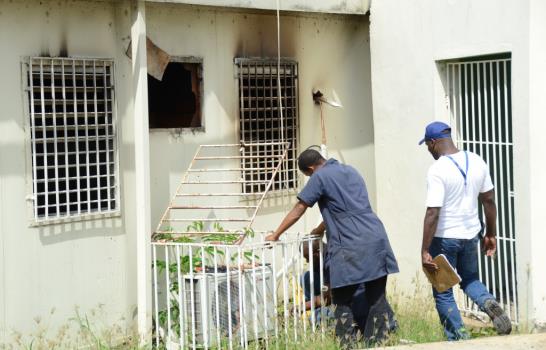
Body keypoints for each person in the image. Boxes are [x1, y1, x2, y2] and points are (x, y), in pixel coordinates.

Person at [265, 149, 399, 345]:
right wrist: (319, 228)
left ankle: (348, 345)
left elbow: (299, 208)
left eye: (308, 175)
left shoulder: (319, 176)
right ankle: (377, 344)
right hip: (376, 237)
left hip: (350, 242)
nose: (311, 177)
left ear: (311, 168)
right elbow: (345, 208)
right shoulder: (351, 170)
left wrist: (276, 234)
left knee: (341, 299)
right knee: (377, 299)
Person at [419, 121, 512, 340]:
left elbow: (433, 212)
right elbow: (489, 201)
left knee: (443, 291)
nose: (428, 150)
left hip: (444, 239)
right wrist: (490, 234)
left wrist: (424, 249)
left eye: (427, 146)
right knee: (469, 279)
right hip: (471, 235)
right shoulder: (477, 160)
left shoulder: (437, 170)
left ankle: (459, 340)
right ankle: (488, 302)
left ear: (433, 143)